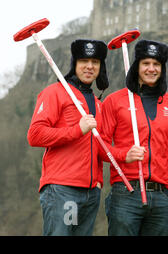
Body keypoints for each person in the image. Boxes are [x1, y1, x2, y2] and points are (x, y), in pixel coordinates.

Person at [100, 39, 168, 236]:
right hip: (126, 192)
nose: (151, 69)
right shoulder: (115, 101)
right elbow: (99, 144)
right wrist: (123, 155)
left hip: (162, 196)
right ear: (137, 66)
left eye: (156, 64)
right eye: (146, 63)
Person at [27, 39, 109, 236]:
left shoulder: (98, 103)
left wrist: (98, 180)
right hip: (62, 190)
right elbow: (35, 135)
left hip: (90, 193)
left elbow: (97, 146)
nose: (90, 66)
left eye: (95, 62)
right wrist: (76, 130)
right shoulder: (54, 93)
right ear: (75, 64)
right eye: (84, 61)